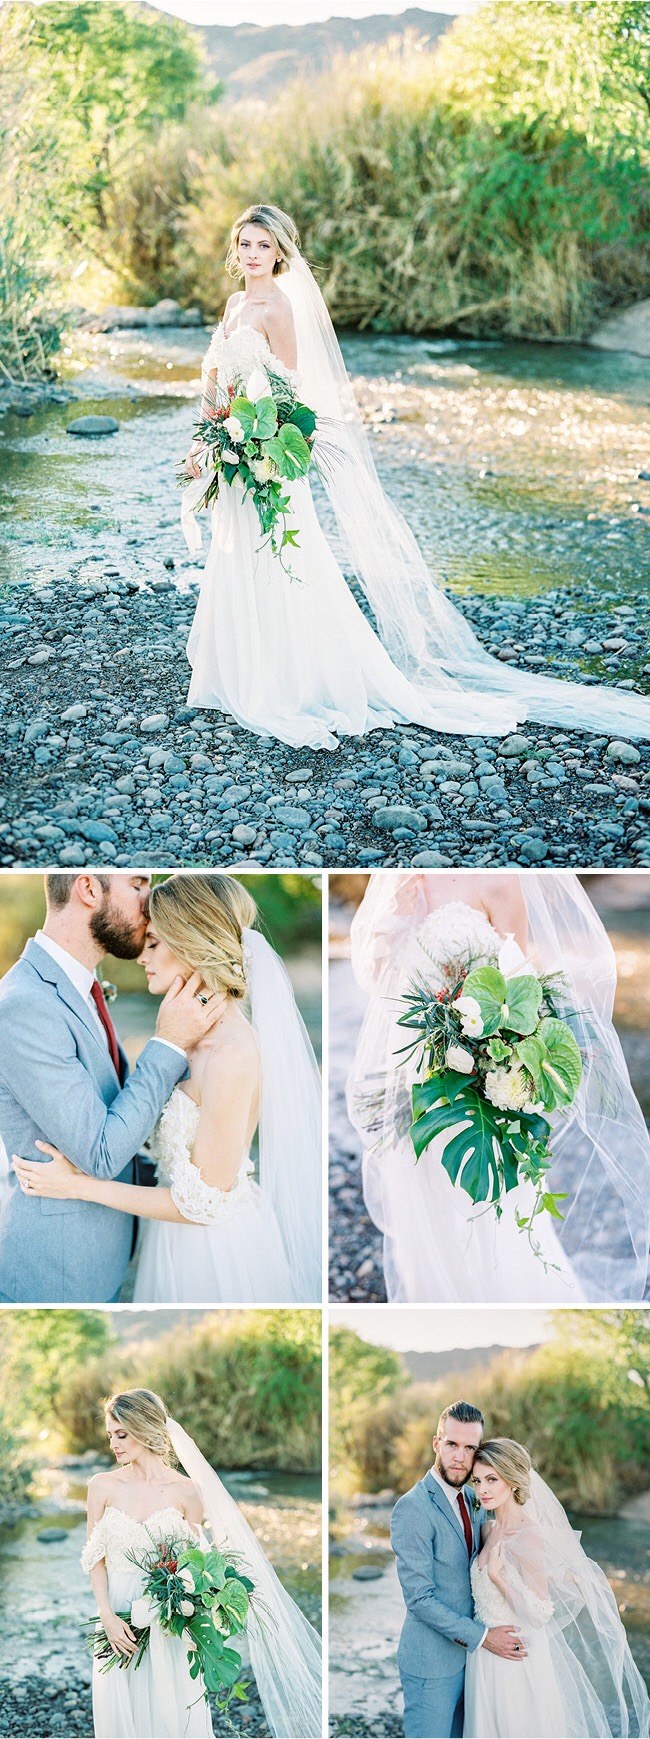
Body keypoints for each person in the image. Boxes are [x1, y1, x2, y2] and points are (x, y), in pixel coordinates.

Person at [181, 202, 650, 751]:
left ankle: (295, 678)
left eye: (264, 245)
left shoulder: (279, 309)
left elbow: (290, 389)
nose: (253, 254)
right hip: (231, 445)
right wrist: (205, 441)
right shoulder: (236, 303)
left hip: (265, 450)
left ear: (281, 250)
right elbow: (215, 381)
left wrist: (260, 441)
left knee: (284, 555)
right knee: (236, 553)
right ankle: (240, 669)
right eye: (246, 245)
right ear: (236, 249)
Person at [12, 874, 322, 1304]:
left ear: (192, 945)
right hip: (163, 1241)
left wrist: (78, 1185)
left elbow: (205, 1203)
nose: (142, 953)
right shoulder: (187, 1035)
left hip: (214, 1254)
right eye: (138, 883)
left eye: (155, 943)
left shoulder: (231, 1052)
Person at [346, 870, 650, 1303]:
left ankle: (499, 1291)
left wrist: (504, 1060)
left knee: (488, 1191)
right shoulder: (397, 881)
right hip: (415, 1062)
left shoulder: (498, 881)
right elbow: (378, 983)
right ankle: (436, 1296)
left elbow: (522, 984)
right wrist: (392, 915)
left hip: (481, 1063)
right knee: (422, 1187)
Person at [0, 873, 222, 1304]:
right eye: (139, 885)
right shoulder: (25, 1004)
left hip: (103, 1252)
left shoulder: (77, 986)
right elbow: (100, 1152)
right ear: (88, 889)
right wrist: (169, 1043)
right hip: (54, 1272)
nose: (150, 901)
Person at [83, 1387, 322, 1739]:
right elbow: (95, 1558)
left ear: (146, 1429)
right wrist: (105, 1614)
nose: (113, 1445)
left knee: (172, 1710)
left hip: (168, 1621)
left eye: (121, 1434)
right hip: (117, 1613)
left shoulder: (188, 1491)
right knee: (120, 1712)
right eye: (110, 1436)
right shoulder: (101, 1485)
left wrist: (194, 1611)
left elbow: (194, 1564)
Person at [465, 1437, 650, 1738]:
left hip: (516, 1662)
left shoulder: (529, 1537)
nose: (482, 1489)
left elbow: (539, 1613)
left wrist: (498, 1577)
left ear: (511, 1481)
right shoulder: (487, 1529)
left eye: (491, 1479)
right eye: (477, 1480)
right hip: (483, 1658)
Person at [390, 1401, 526, 1739]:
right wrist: (483, 1637)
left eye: (470, 1448)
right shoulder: (413, 1509)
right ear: (437, 1443)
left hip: (478, 1666)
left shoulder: (475, 1497)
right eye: (452, 1444)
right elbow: (419, 1599)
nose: (460, 1457)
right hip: (433, 1664)